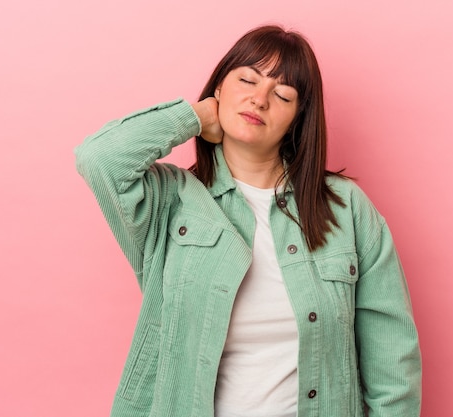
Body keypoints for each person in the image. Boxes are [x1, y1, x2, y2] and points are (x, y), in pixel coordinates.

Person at [75, 25, 421, 417]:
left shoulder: (345, 208)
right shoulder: (171, 202)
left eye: (282, 94)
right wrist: (194, 116)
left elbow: (393, 363)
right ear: (219, 88)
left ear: (297, 117)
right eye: (246, 79)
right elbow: (99, 158)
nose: (259, 100)